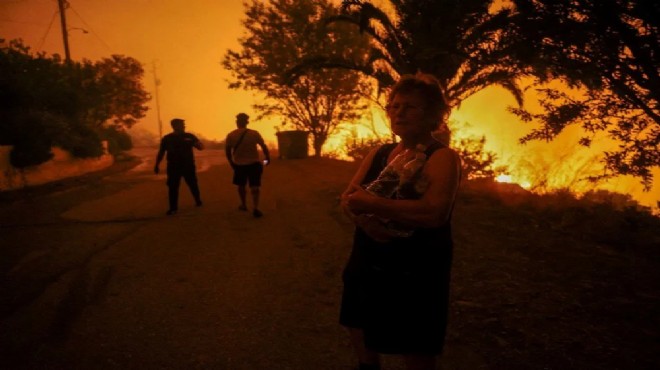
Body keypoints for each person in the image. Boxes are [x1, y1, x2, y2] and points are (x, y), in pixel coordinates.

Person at [339, 73, 462, 370]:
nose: (398, 112)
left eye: (409, 106)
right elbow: (348, 198)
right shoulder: (379, 153)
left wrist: (372, 204)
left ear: (432, 114)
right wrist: (367, 222)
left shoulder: (443, 157)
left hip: (416, 265)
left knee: (415, 340)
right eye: (393, 106)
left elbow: (434, 213)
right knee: (358, 320)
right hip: (368, 255)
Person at [154, 118, 204, 215]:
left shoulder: (189, 136)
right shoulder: (167, 138)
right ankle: (173, 208)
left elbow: (201, 147)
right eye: (182, 124)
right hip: (173, 167)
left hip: (188, 165)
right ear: (174, 126)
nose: (184, 126)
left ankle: (198, 200)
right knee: (173, 187)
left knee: (193, 184)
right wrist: (157, 165)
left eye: (184, 124)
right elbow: (161, 152)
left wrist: (197, 144)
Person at [225, 113, 271, 218]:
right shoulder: (254, 133)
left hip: (239, 165)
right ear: (247, 122)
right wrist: (267, 158)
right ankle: (255, 207)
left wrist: (232, 163)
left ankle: (244, 204)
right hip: (254, 163)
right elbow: (263, 146)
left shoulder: (231, 135)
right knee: (255, 186)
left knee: (241, 185)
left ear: (237, 122)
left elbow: (227, 151)